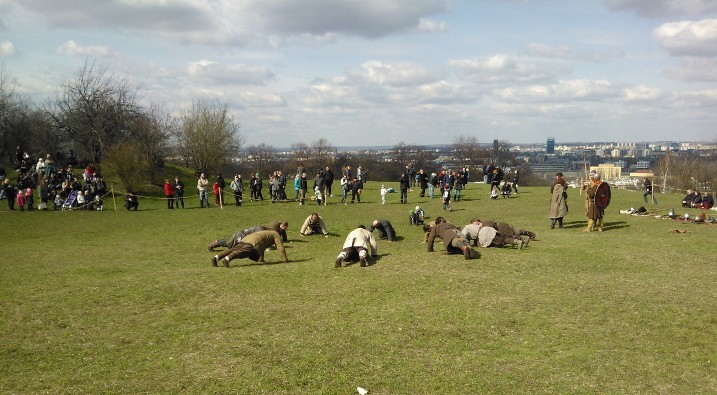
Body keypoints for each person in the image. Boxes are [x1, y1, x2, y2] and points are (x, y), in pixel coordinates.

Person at [211, 230, 288, 267]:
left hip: (246, 239)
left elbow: (263, 245)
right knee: (242, 252)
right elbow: (280, 247)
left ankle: (217, 257)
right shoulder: (276, 235)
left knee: (233, 249)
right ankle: (227, 259)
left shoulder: (267, 232)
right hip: (254, 242)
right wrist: (284, 259)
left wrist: (261, 259)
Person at [207, 221, 288, 251]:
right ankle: (212, 245)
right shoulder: (261, 229)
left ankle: (214, 244)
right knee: (229, 244)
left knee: (229, 243)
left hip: (243, 235)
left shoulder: (264, 228)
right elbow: (259, 240)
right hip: (242, 235)